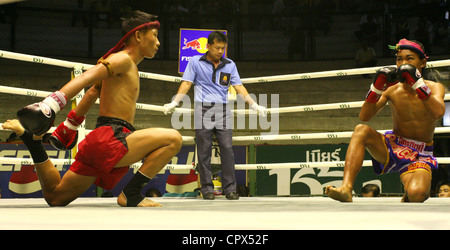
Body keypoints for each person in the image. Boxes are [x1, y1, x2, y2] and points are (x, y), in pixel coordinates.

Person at [6, 11, 182, 207]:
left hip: (101, 141)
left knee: (56, 196)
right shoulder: (122, 60)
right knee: (173, 139)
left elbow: (92, 93)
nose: (158, 43)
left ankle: (32, 142)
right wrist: (51, 104)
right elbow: (86, 77)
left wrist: (71, 124)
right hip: (112, 138)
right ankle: (131, 193)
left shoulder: (123, 64)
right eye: (155, 35)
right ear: (138, 35)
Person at [326, 39, 445, 203]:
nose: (403, 64)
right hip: (393, 145)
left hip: (420, 153)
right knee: (361, 130)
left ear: (423, 62)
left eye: (409, 59)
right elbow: (365, 116)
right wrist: (375, 89)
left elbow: (438, 112)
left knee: (417, 195)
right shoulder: (391, 89)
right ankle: (346, 188)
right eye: (399, 59)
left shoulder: (434, 87)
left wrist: (418, 84)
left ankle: (409, 191)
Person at [163, 31, 266, 200]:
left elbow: (239, 87)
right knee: (203, 151)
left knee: (227, 149)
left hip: (223, 109)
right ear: (208, 46)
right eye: (217, 47)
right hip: (202, 108)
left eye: (223, 48)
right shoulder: (195, 62)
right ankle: (207, 189)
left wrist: (254, 105)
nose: (220, 51)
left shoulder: (230, 64)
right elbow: (187, 83)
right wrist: (175, 102)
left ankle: (230, 189)